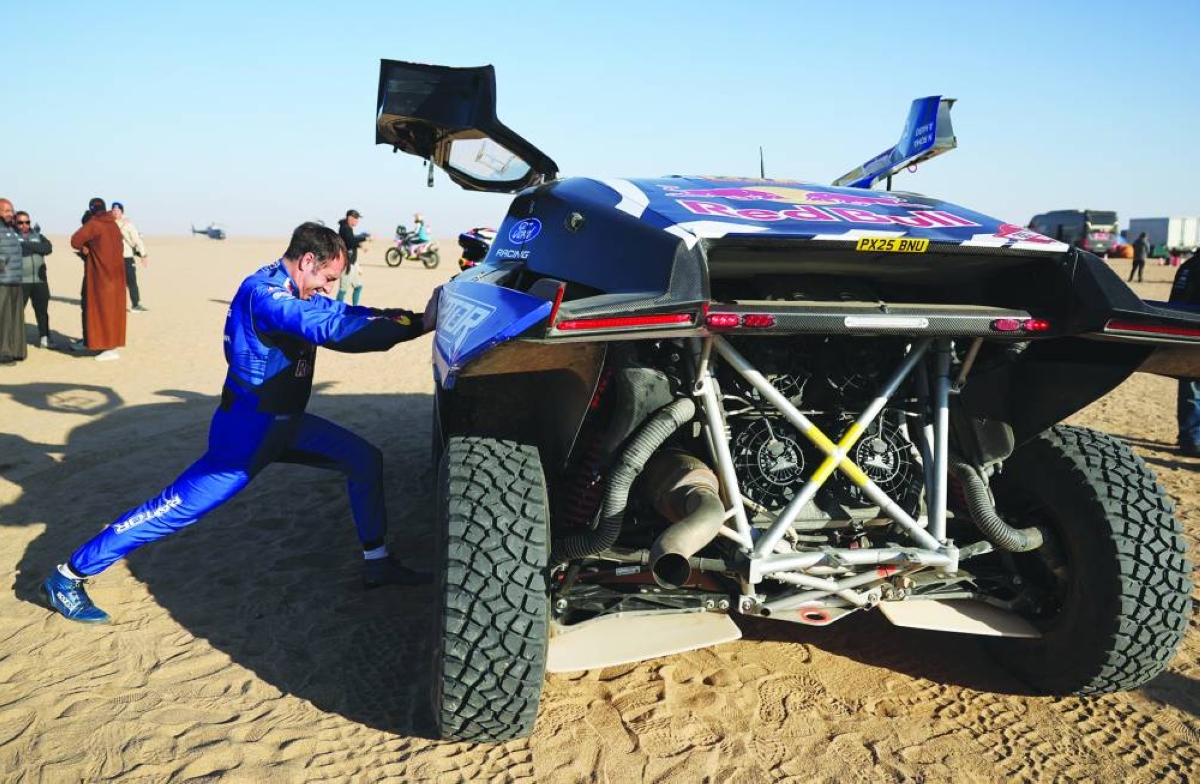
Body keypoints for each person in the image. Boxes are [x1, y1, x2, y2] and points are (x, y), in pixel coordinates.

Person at [41, 223, 439, 624]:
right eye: (328, 279)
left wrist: (418, 319)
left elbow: (345, 313)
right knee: (171, 510)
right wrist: (419, 326)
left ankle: (378, 563)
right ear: (306, 262)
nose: (329, 289)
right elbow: (333, 329)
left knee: (365, 460)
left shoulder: (297, 290)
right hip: (247, 434)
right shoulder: (264, 295)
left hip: (288, 425)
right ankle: (68, 575)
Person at [70, 198, 127, 361]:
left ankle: (109, 348)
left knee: (102, 310)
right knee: (106, 310)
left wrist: (86, 247)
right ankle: (93, 342)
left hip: (101, 276)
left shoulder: (95, 223)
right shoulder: (113, 224)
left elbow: (75, 241)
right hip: (115, 275)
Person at [1170, 251, 1200, 457]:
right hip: (1192, 332)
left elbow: (1174, 302)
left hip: (1187, 333)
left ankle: (1190, 436)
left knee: (1191, 388)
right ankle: (1192, 438)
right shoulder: (1192, 267)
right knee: (1192, 389)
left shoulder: (1188, 266)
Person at [15, 211, 54, 348]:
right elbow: (14, 250)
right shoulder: (10, 237)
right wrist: (37, 249)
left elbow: (48, 248)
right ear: (15, 223)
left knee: (42, 311)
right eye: (20, 222)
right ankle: (14, 341)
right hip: (21, 281)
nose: (24, 225)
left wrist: (26, 245)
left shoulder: (38, 236)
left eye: (27, 222)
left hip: (40, 280)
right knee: (17, 313)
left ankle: (45, 338)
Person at [0, 198, 26, 364]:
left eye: (12, 211)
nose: (11, 214)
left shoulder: (11, 229)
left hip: (15, 280)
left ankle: (15, 349)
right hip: (2, 280)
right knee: (3, 317)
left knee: (15, 317)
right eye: (7, 211)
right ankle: (3, 353)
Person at [112, 201, 149, 312]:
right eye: (113, 210)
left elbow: (137, 240)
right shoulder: (110, 223)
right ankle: (117, 305)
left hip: (127, 257)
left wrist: (143, 254)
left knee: (131, 281)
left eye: (117, 210)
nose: (115, 212)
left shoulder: (127, 224)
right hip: (114, 258)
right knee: (117, 283)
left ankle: (136, 304)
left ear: (122, 211)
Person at [336, 209, 368, 306]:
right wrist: (364, 239)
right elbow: (350, 242)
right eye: (356, 219)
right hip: (346, 264)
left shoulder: (347, 228)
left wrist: (360, 244)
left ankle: (355, 308)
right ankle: (337, 309)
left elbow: (351, 240)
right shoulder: (345, 228)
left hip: (352, 264)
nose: (357, 221)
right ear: (350, 218)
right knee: (343, 289)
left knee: (358, 286)